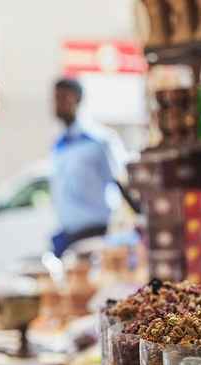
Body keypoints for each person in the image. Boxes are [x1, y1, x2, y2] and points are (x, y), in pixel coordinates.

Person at [49, 77, 127, 257]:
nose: (57, 104)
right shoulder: (59, 145)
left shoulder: (100, 141)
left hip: (96, 235)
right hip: (67, 236)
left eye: (63, 98)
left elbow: (122, 183)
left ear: (77, 99)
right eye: (55, 98)